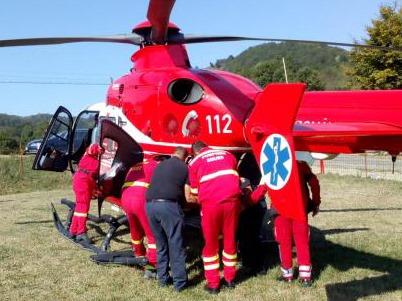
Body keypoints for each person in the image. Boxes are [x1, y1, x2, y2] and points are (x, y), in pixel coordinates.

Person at [188, 141, 241, 294]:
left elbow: (194, 192)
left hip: (211, 204)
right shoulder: (228, 154)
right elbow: (234, 177)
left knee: (211, 243)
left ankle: (213, 284)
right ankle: (230, 279)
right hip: (232, 201)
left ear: (195, 152)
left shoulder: (195, 162)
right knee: (230, 239)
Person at [146, 147, 189, 292]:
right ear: (185, 157)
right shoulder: (185, 167)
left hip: (150, 206)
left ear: (172, 154)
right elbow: (187, 194)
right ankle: (180, 283)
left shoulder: (160, 165)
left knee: (161, 245)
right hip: (168, 206)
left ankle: (163, 279)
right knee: (176, 244)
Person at [273, 160, 321, 287]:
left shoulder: (272, 166)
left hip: (280, 210)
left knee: (284, 242)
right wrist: (316, 202)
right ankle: (305, 277)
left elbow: (265, 186)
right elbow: (314, 183)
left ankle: (287, 275)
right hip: (299, 210)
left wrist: (250, 200)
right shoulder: (301, 165)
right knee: (302, 242)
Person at [121, 157, 158, 277]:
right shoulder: (155, 165)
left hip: (125, 197)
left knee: (135, 230)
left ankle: (139, 255)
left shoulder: (135, 164)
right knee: (152, 233)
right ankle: (152, 265)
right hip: (140, 198)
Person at [69, 143, 103, 244]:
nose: (100, 153)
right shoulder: (92, 158)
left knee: (79, 207)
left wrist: (94, 189)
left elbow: (91, 178)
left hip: (81, 180)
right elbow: (92, 148)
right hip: (83, 182)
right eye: (100, 151)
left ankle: (73, 230)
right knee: (83, 208)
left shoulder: (89, 158)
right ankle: (81, 232)